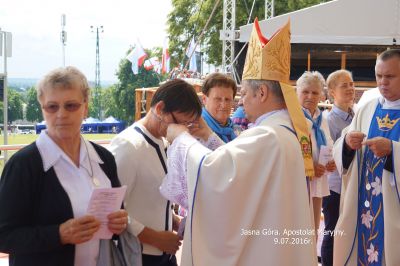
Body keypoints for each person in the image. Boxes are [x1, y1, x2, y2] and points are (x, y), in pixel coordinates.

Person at [161, 19, 317, 265]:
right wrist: (209, 137)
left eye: (243, 93)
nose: (241, 102)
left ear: (262, 93)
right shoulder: (285, 133)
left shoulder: (267, 136)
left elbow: (215, 173)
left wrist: (181, 139)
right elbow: (240, 171)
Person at [0, 67, 128, 266]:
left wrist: (119, 223)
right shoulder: (23, 166)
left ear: (85, 108)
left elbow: (117, 214)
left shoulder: (104, 158)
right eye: (52, 106)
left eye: (71, 106)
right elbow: (4, 236)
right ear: (42, 108)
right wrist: (59, 234)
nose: (61, 114)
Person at [108, 79, 202, 266]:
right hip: (137, 257)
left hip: (164, 256)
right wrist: (155, 238)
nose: (181, 131)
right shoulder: (129, 146)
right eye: (179, 123)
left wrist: (171, 219)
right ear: (159, 109)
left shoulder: (161, 140)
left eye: (187, 125)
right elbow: (112, 210)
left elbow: (149, 194)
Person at [333, 49, 400, 265]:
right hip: (364, 208)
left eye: (390, 76)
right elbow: (340, 147)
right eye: (379, 76)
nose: (382, 83)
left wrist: (393, 149)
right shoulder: (367, 109)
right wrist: (347, 143)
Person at [321, 69, 355, 266]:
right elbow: (331, 155)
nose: (350, 88)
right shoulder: (329, 120)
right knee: (332, 232)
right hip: (335, 187)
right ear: (332, 92)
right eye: (344, 85)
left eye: (351, 84)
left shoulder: (358, 113)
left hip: (354, 184)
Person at [296, 71, 336, 242]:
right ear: (297, 91)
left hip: (318, 181)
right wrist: (309, 164)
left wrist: (331, 162)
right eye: (305, 91)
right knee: (296, 231)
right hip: (299, 182)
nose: (310, 96)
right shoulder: (292, 118)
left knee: (312, 232)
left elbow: (329, 146)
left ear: (321, 94)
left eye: (315, 92)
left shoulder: (322, 119)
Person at [201, 73, 237, 142]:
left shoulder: (237, 130)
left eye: (227, 99)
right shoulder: (195, 131)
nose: (223, 105)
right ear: (204, 99)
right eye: (218, 99)